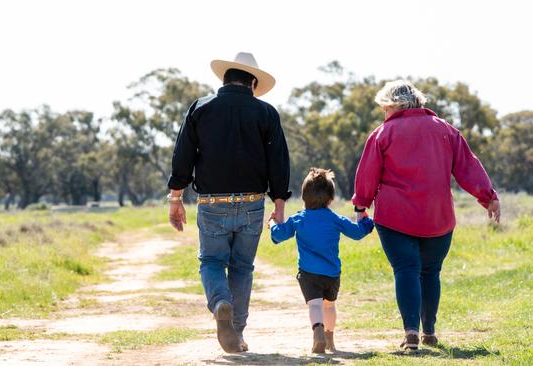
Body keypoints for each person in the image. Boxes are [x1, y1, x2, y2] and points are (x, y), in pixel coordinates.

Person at [352, 80, 500, 351]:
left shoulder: (383, 132)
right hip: (437, 217)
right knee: (431, 272)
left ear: (393, 105)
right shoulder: (445, 130)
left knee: (406, 270)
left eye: (384, 108)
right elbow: (468, 165)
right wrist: (488, 196)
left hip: (395, 217)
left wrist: (361, 206)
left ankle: (411, 334)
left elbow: (367, 174)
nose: (384, 113)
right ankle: (429, 333)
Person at [167, 52, 291, 353]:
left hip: (212, 202)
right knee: (242, 268)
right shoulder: (266, 113)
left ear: (224, 80)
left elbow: (183, 154)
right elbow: (279, 160)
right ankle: (236, 332)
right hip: (251, 202)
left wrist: (176, 197)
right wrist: (279, 201)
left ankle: (221, 303)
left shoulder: (200, 108)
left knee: (211, 261)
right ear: (252, 83)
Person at [268, 168, 374, 353]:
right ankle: (329, 339)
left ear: (304, 197)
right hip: (332, 274)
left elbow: (278, 236)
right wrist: (366, 221)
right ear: (330, 198)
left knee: (315, 305)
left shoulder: (298, 219)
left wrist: (272, 224)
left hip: (309, 273)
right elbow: (358, 233)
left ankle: (317, 330)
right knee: (329, 305)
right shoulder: (335, 219)